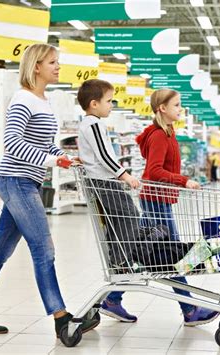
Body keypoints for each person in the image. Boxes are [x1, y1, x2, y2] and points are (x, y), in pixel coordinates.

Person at [0, 44, 98, 338]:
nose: (58, 66)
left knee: (0, 249)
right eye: (53, 62)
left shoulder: (43, 100)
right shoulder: (23, 99)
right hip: (16, 181)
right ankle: (61, 318)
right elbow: (11, 143)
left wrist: (62, 155)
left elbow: (41, 143)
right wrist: (51, 160)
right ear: (36, 66)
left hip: (27, 181)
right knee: (43, 249)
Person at [135, 88, 219, 326]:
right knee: (171, 255)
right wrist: (184, 180)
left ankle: (112, 297)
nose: (180, 109)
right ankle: (190, 309)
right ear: (162, 108)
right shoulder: (160, 135)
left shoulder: (167, 132)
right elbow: (154, 171)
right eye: (176, 105)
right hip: (156, 200)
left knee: (143, 253)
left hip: (158, 199)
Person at [76, 79, 141, 323]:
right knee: (131, 216)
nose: (112, 105)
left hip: (104, 182)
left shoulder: (93, 124)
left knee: (121, 219)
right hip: (105, 183)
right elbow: (103, 155)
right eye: (109, 101)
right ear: (94, 104)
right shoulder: (93, 124)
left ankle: (120, 258)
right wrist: (124, 175)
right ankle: (120, 260)